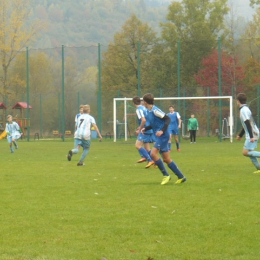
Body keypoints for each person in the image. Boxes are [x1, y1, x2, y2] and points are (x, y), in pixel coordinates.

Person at [141, 93, 186, 185]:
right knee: (166, 159)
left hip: (163, 135)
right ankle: (181, 177)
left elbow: (168, 119)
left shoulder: (155, 110)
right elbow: (154, 124)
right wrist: (145, 128)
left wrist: (162, 130)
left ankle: (166, 175)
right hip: (159, 136)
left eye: (143, 101)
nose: (142, 102)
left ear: (145, 102)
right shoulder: (148, 111)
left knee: (153, 154)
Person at [236, 93, 260, 173]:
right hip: (253, 133)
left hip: (253, 133)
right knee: (249, 152)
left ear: (238, 101)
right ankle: (259, 168)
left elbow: (247, 123)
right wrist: (240, 135)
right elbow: (245, 124)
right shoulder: (245, 109)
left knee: (245, 152)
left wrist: (251, 136)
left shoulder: (243, 110)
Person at [132, 96, 155, 168]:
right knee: (147, 148)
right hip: (150, 128)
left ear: (133, 103)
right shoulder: (144, 107)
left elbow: (144, 120)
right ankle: (156, 161)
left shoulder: (138, 109)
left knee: (138, 145)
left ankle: (149, 159)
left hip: (145, 130)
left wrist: (140, 129)